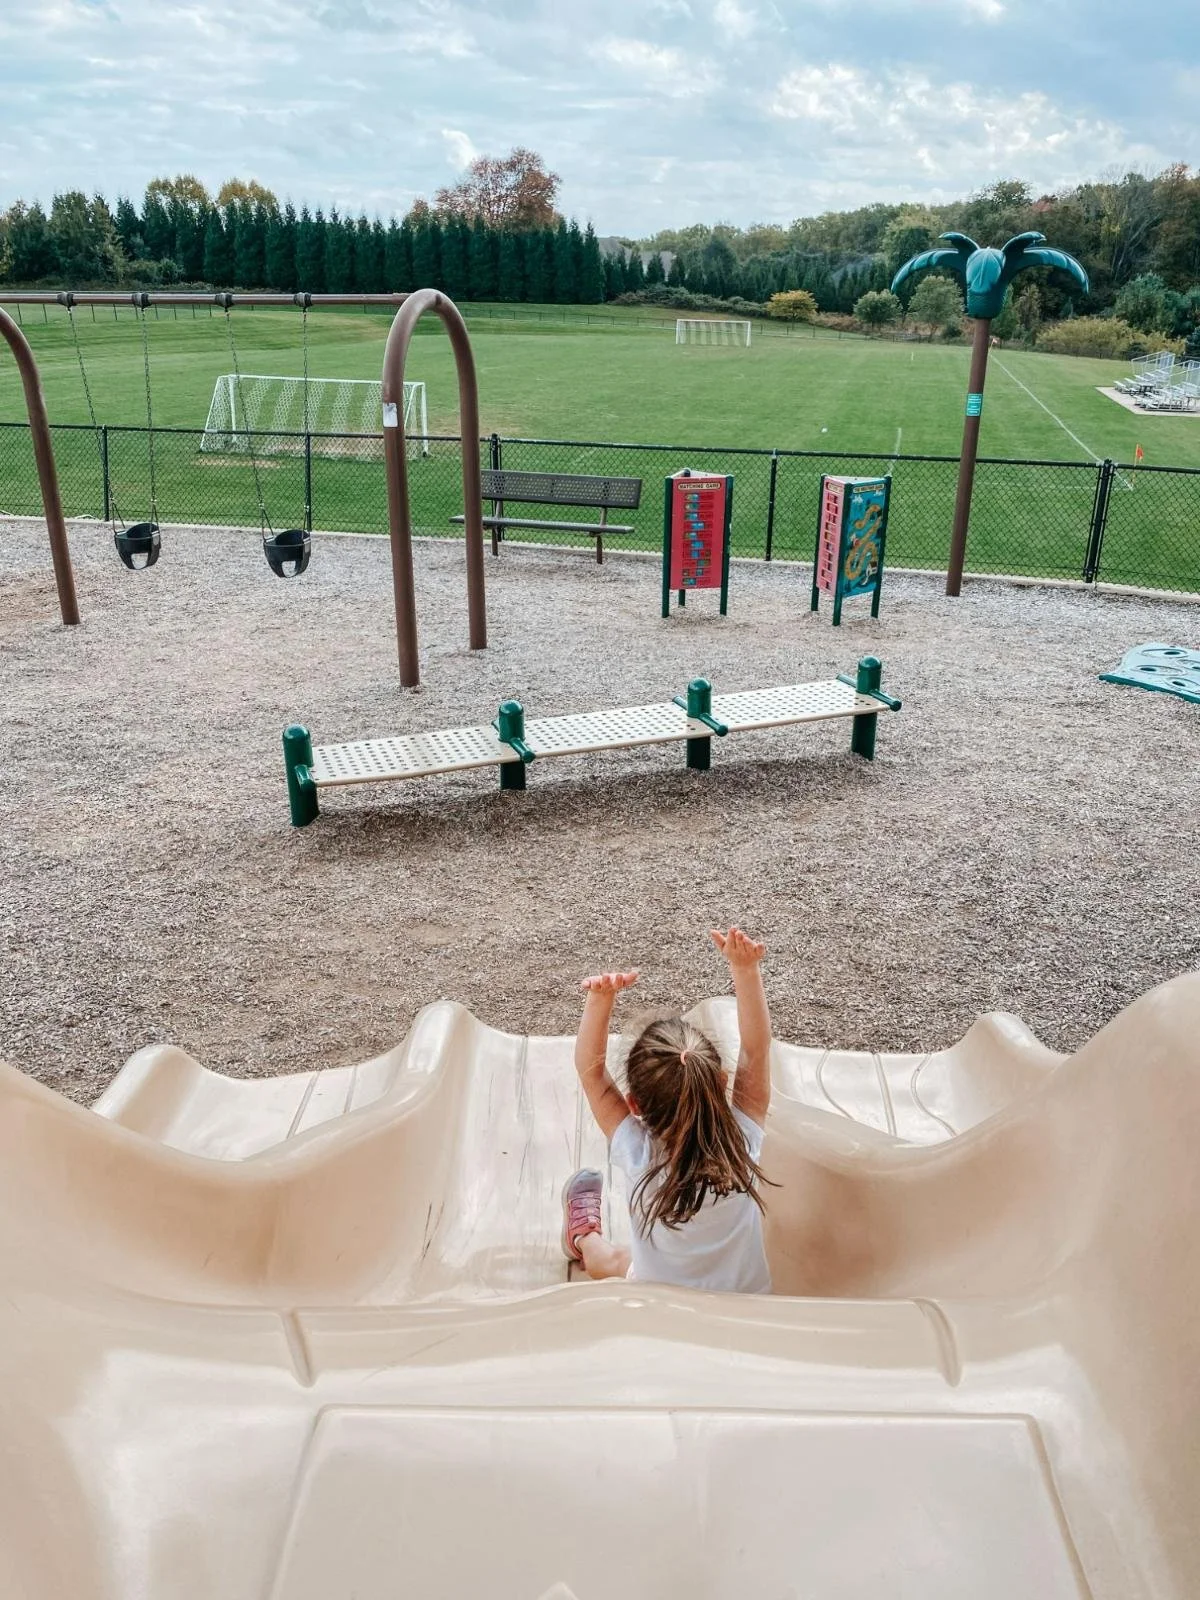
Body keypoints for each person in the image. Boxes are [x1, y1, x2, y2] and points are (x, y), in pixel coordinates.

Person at [561, 927, 773, 1294]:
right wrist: (745, 970)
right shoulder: (742, 1143)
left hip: (658, 1297)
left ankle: (583, 1238)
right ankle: (587, 1240)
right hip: (748, 1307)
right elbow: (757, 1050)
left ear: (635, 1105)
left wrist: (601, 999)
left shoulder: (638, 1152)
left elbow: (592, 1073)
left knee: (610, 1261)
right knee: (628, 1259)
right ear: (720, 1081)